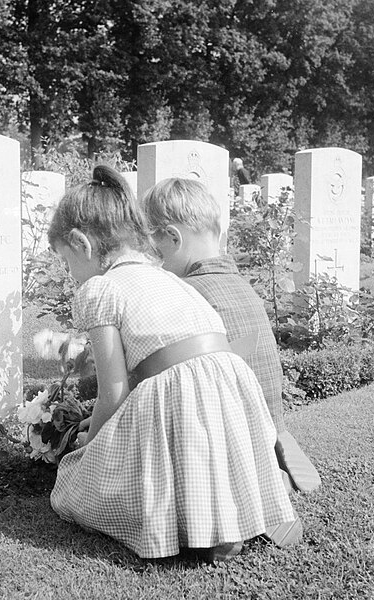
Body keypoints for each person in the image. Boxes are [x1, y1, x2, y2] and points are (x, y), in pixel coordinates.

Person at [48, 165, 295, 561]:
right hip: (230, 384)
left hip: (179, 391)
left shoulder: (100, 289)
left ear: (81, 244)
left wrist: (89, 445)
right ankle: (227, 518)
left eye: (65, 261)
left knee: (72, 484)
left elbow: (114, 392)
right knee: (189, 433)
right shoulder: (166, 276)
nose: (69, 273)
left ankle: (194, 526)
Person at [142, 177, 322, 500]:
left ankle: (254, 473)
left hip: (232, 429)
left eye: (157, 252)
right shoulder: (242, 286)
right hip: (269, 413)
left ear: (172, 238)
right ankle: (273, 448)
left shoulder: (187, 293)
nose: (157, 262)